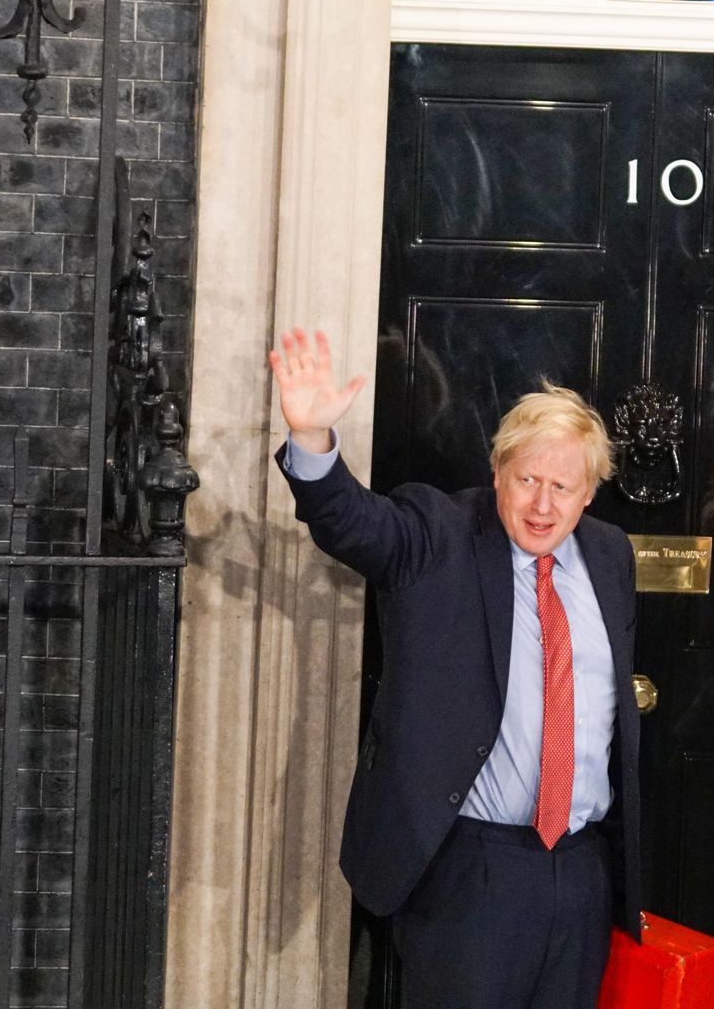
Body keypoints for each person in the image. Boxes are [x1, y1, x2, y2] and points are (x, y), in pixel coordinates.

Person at [267, 326, 641, 1009]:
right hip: (473, 871)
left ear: (590, 493)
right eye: (527, 479)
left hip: (582, 871)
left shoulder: (610, 556)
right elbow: (353, 523)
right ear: (498, 471)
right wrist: (313, 441)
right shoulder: (437, 532)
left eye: (563, 485)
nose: (542, 504)